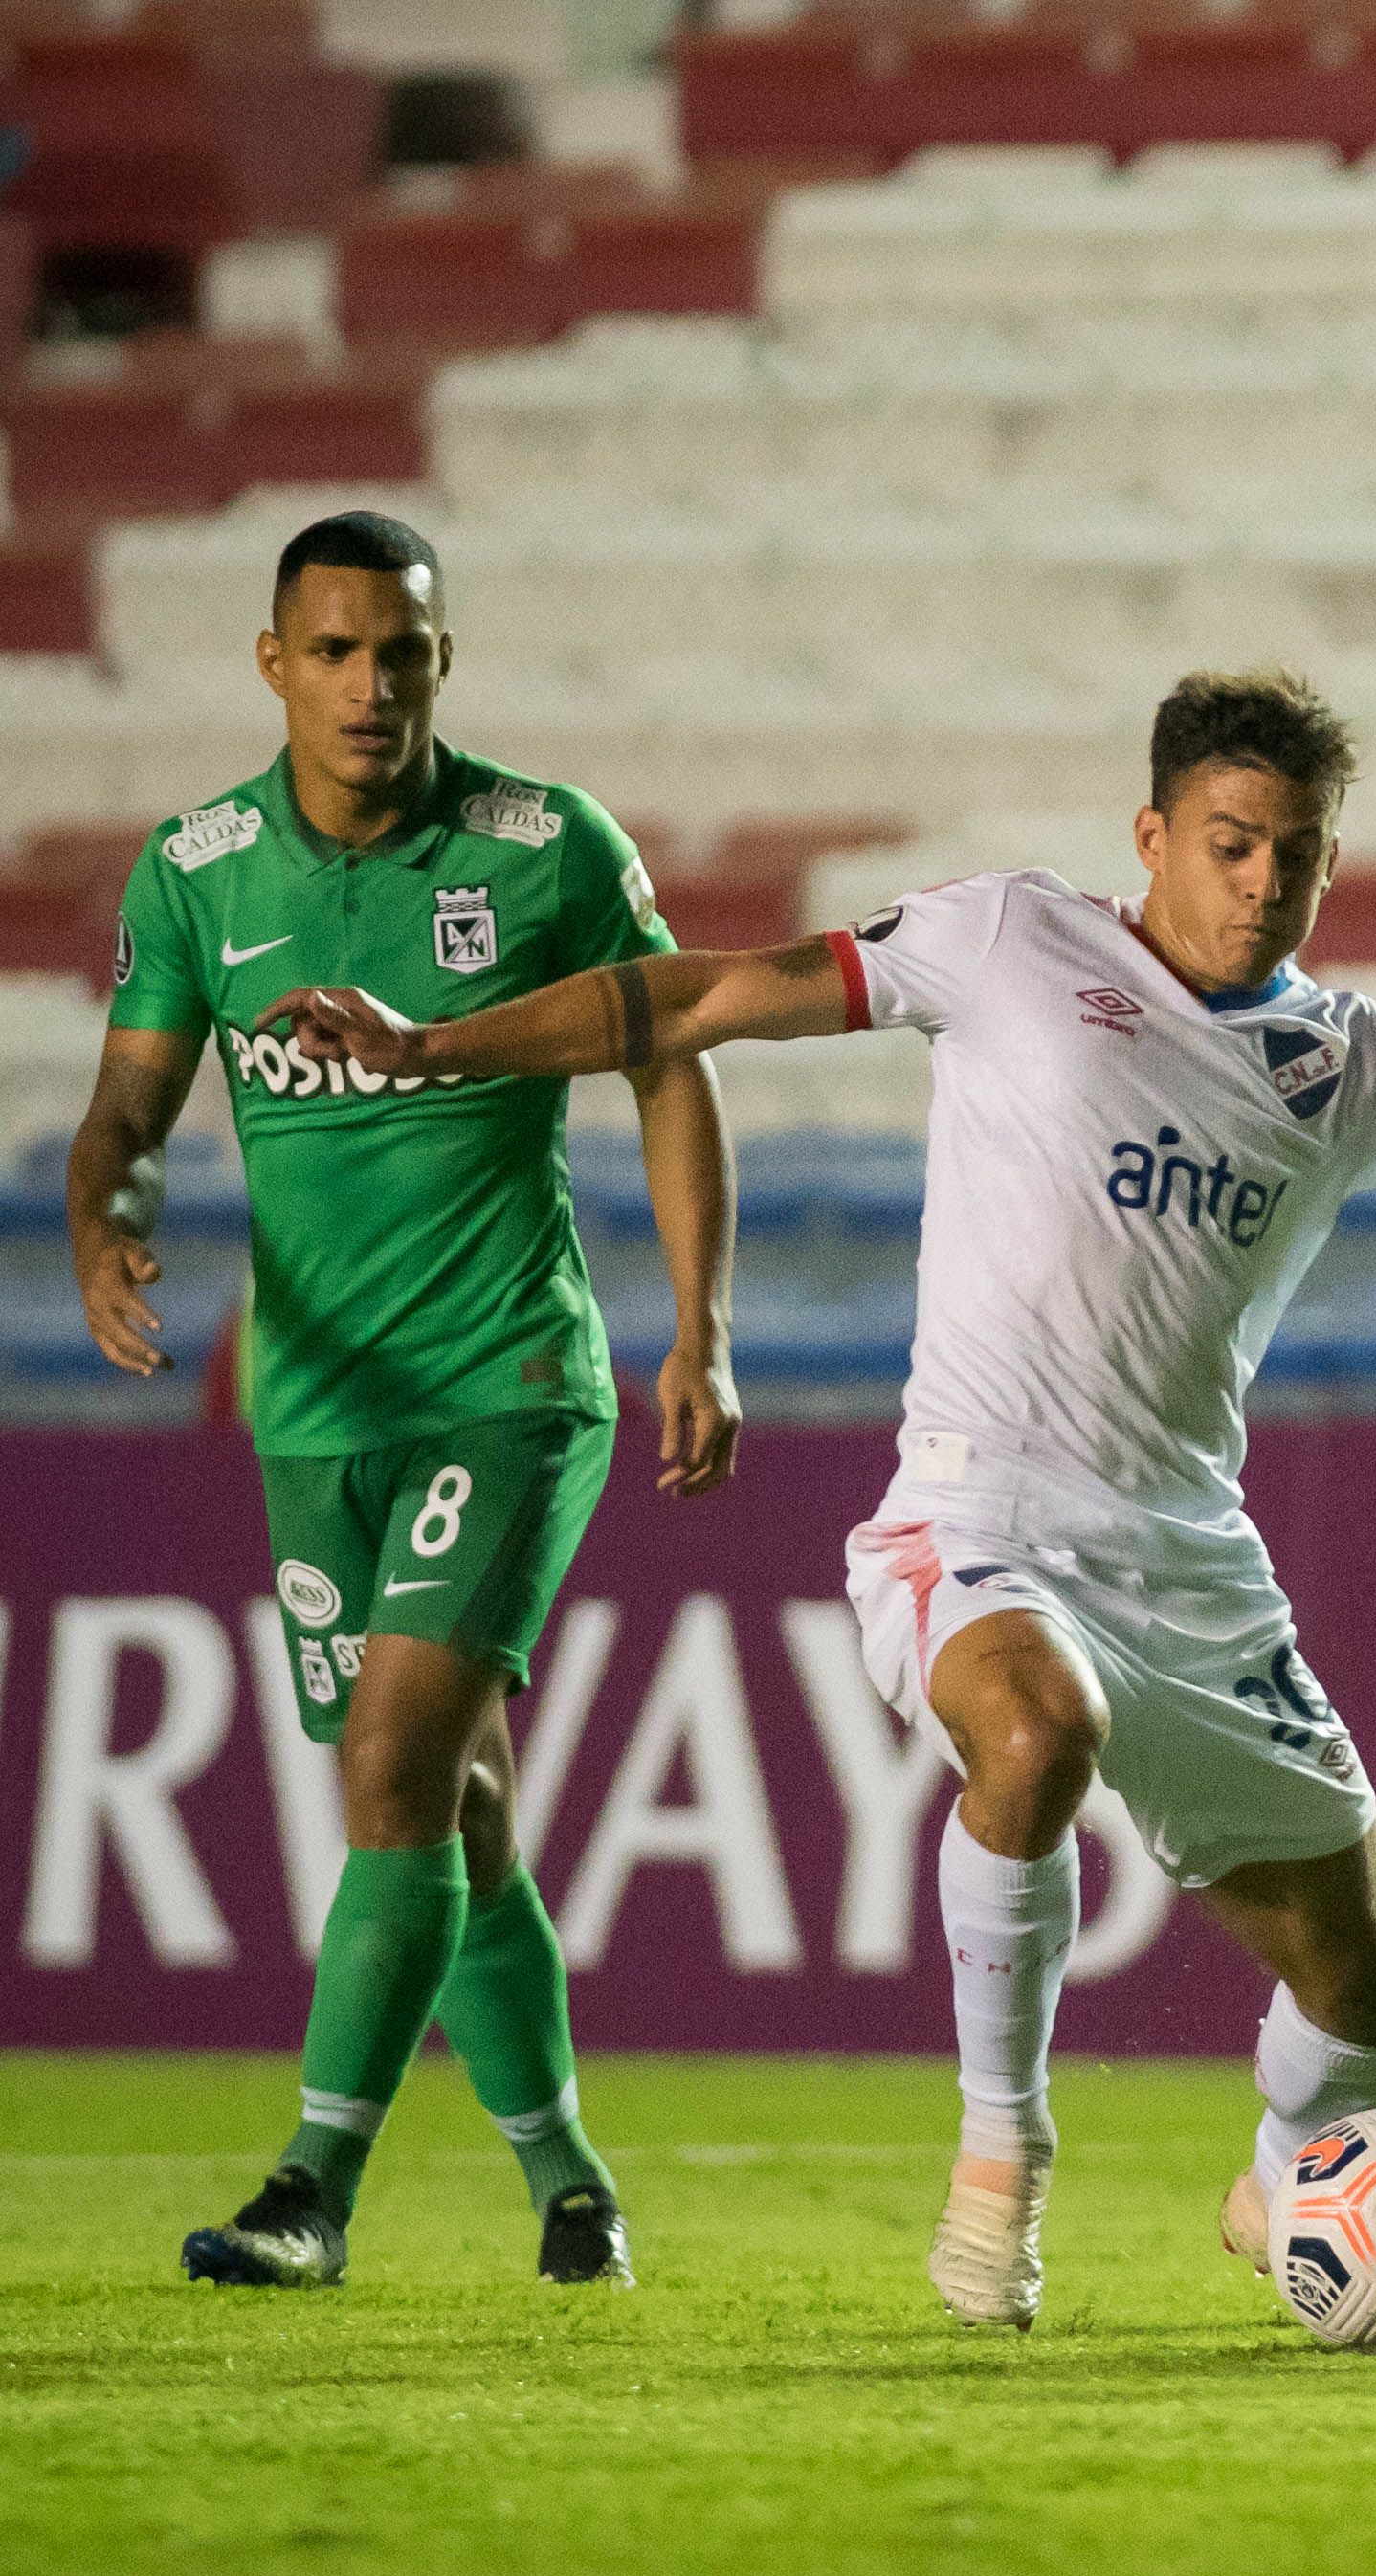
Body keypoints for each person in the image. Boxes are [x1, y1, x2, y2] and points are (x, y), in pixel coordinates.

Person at [277, 668, 1376, 2331]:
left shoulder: (1344, 1060)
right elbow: (702, 996)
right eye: (1232, 844)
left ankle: (1286, 2187)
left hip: (1185, 1557)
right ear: (1154, 836)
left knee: (1371, 1974)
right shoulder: (1011, 943)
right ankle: (1003, 2156)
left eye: (1300, 856)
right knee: (1035, 1734)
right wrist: (439, 1042)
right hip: (973, 1518)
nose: (1264, 884)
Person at [76, 510, 740, 2291]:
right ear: (275, 663)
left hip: (510, 1384)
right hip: (317, 1410)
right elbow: (128, 1113)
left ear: (446, 662)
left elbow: (668, 1065)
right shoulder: (196, 869)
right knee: (454, 1813)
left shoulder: (545, 849)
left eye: (406, 653)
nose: (374, 685)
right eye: (340, 650)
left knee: (388, 1771)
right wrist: (106, 1224)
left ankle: (312, 2190)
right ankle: (573, 2186)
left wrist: (701, 1326)